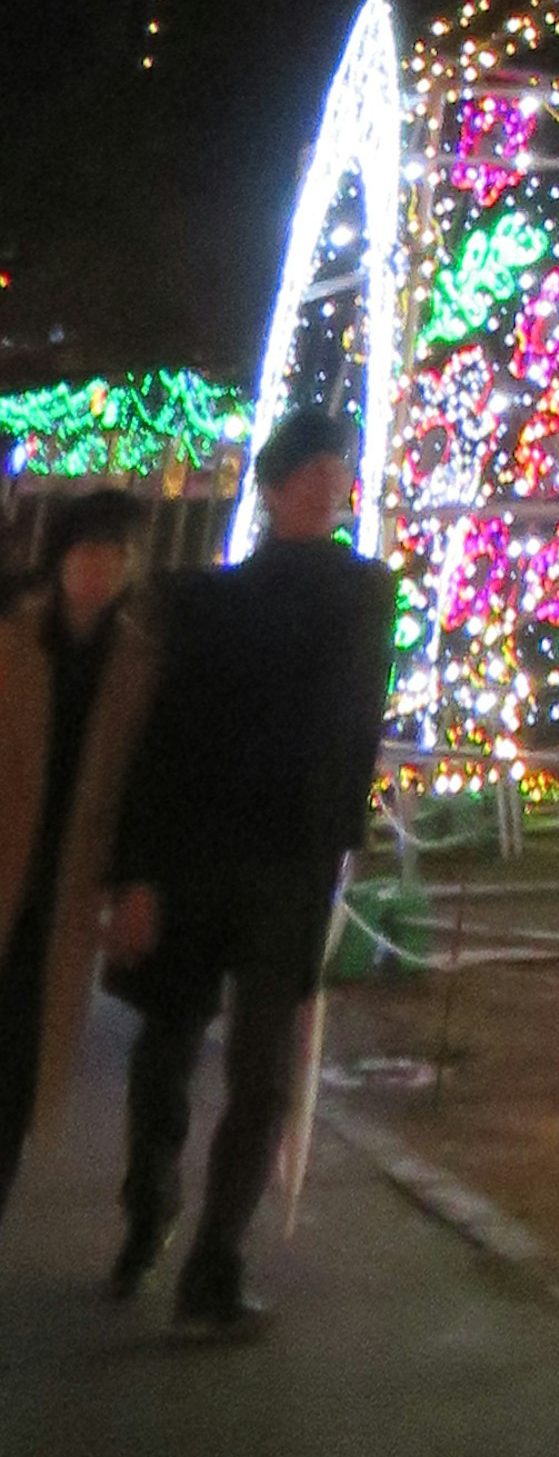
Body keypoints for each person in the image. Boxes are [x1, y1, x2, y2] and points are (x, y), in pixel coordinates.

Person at [102, 408, 397, 1336]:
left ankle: (212, 1263)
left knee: (262, 1072)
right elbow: (159, 743)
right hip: (200, 856)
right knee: (171, 1043)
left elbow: (356, 732)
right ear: (270, 490)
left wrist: (340, 840)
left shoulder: (363, 593)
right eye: (307, 471)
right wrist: (138, 871)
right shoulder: (209, 604)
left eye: (336, 469)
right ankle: (151, 1207)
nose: (326, 483)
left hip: (291, 864)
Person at [0, 486, 156, 1228]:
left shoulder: (137, 666)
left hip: (62, 891)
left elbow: (142, 784)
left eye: (113, 554)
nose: (97, 567)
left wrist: (130, 886)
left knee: (16, 1076)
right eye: (86, 551)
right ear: (59, 560)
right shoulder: (12, 646)